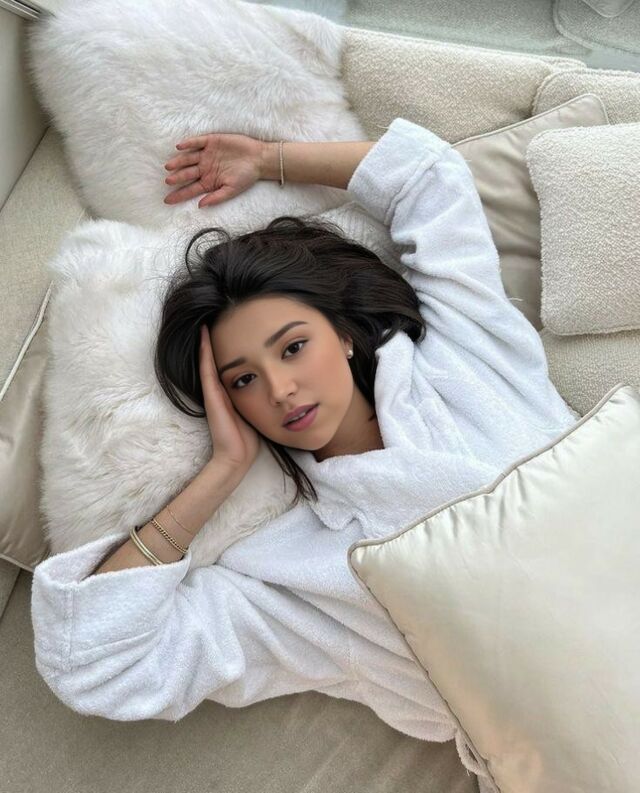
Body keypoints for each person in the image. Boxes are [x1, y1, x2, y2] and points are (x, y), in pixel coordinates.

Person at [30, 118, 579, 783]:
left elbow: (427, 177)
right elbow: (95, 659)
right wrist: (222, 472)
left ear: (343, 332)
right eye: (242, 381)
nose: (281, 389)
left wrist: (270, 159)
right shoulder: (296, 571)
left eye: (293, 347)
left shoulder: (468, 353)